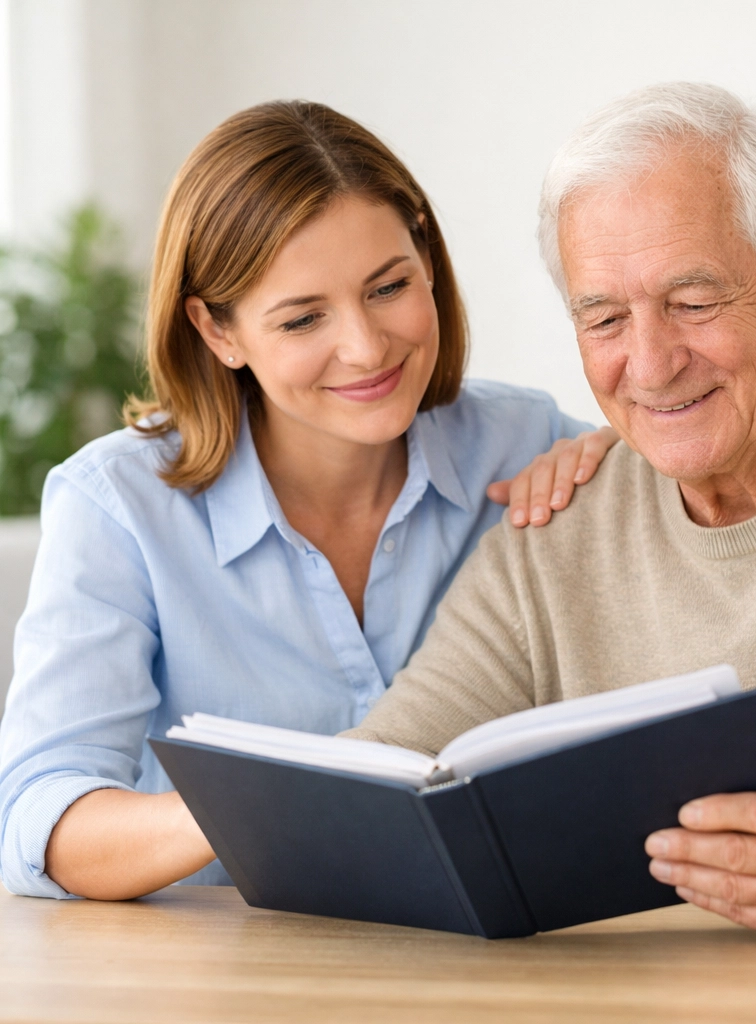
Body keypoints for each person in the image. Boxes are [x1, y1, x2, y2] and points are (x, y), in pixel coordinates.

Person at [348, 82, 756, 941]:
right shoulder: (556, 529)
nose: (652, 364)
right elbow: (386, 775)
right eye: (603, 319)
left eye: (694, 303)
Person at [0, 101, 617, 901]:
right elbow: (41, 817)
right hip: (228, 974)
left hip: (484, 958)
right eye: (302, 319)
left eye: (389, 286)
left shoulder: (523, 441)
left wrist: (626, 455)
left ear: (426, 257)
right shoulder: (118, 506)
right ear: (218, 332)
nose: (365, 348)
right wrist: (275, 801)